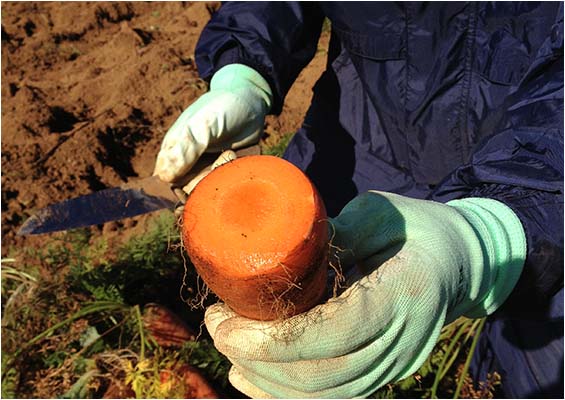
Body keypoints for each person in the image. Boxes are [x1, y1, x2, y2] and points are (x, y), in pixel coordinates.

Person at [154, 2, 563, 398]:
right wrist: (243, 72)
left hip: (537, 172)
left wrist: (492, 235)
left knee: (538, 368)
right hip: (360, 141)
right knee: (296, 351)